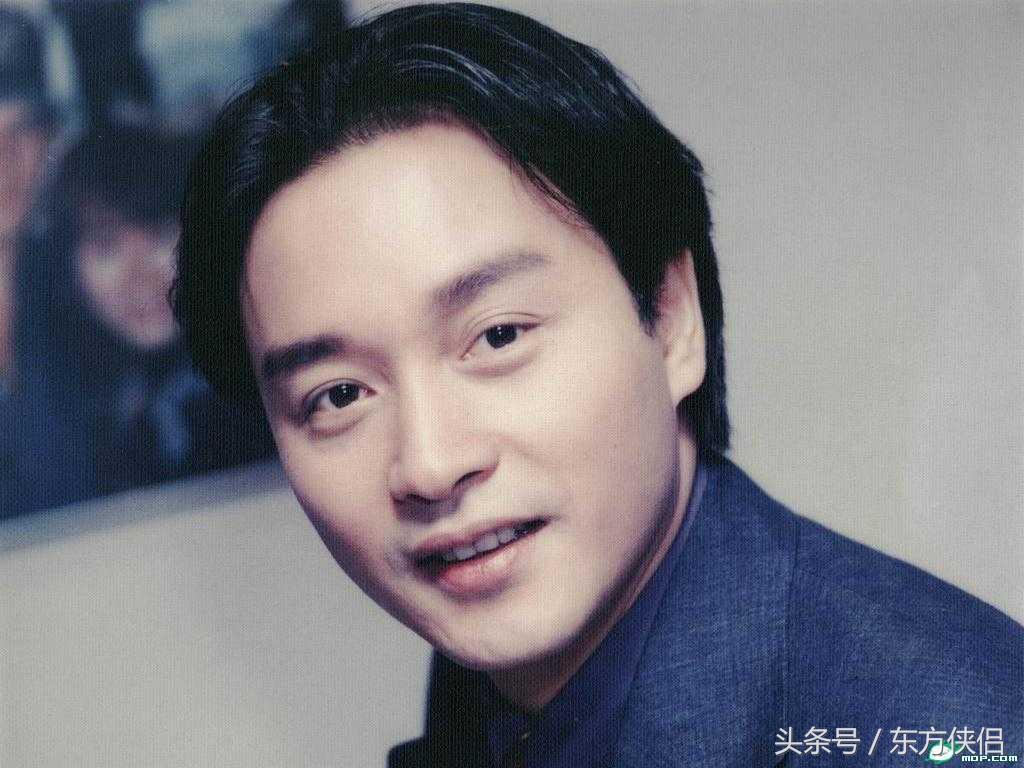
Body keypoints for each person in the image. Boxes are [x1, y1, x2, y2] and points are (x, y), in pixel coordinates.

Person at [172, 4, 1022, 766]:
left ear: (672, 318)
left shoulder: (946, 730)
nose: (429, 465)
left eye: (499, 336)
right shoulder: (494, 695)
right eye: (339, 395)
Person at [4, 126, 274, 515]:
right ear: (70, 270)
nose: (139, 277)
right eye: (107, 247)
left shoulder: (249, 377)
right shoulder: (77, 388)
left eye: (160, 236)